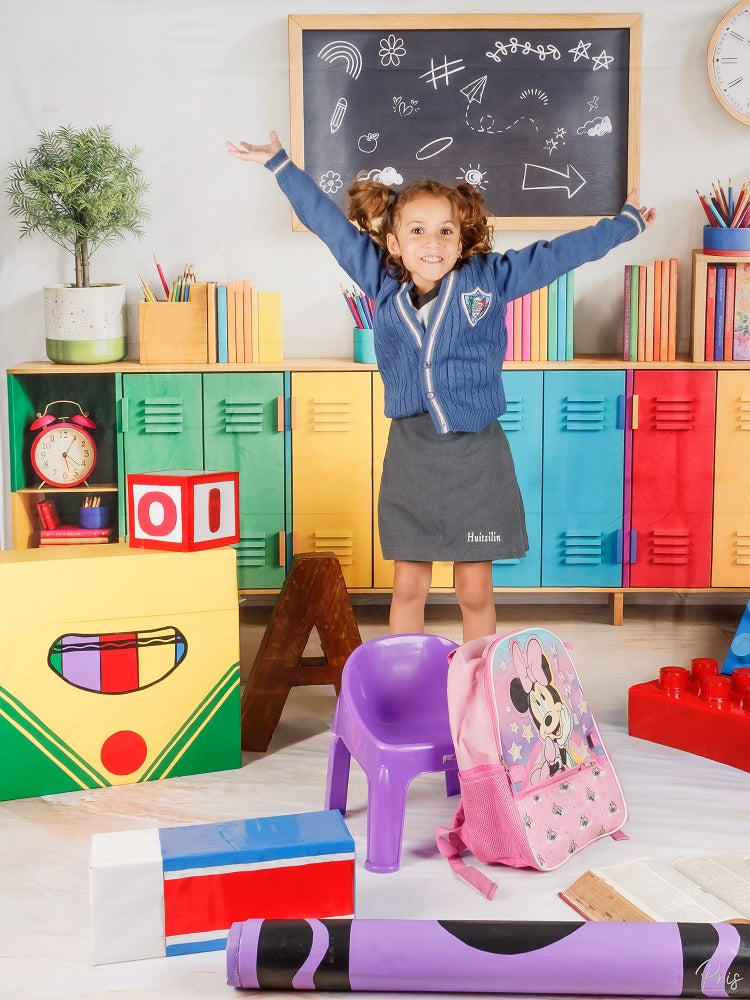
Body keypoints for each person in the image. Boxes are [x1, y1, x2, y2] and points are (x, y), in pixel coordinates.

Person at [226, 131, 656, 642]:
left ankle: (479, 686)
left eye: (445, 231)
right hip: (412, 455)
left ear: (461, 237)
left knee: (475, 589)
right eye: (418, 231)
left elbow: (559, 254)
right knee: (408, 586)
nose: (432, 243)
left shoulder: (490, 278)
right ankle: (407, 680)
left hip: (477, 457)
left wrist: (623, 226)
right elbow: (329, 226)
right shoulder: (381, 281)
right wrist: (279, 164)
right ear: (394, 242)